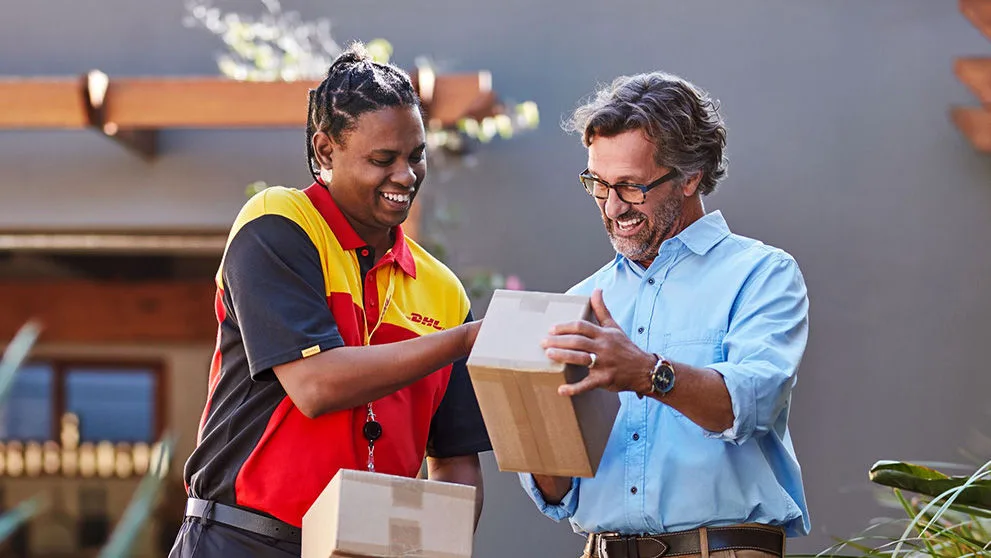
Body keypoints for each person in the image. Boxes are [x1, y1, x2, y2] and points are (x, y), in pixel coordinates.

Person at [170, 42, 491, 558]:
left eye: (416, 155)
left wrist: (432, 546)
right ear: (325, 151)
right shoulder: (278, 223)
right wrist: (464, 341)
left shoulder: (443, 290)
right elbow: (315, 385)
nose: (405, 176)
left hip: (371, 549)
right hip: (242, 541)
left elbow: (455, 460)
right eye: (383, 159)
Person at [520, 72, 810, 558]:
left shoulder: (762, 274)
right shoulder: (582, 298)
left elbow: (751, 404)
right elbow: (557, 493)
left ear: (690, 175)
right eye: (598, 184)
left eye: (631, 187)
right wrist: (530, 422)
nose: (612, 208)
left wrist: (647, 374)